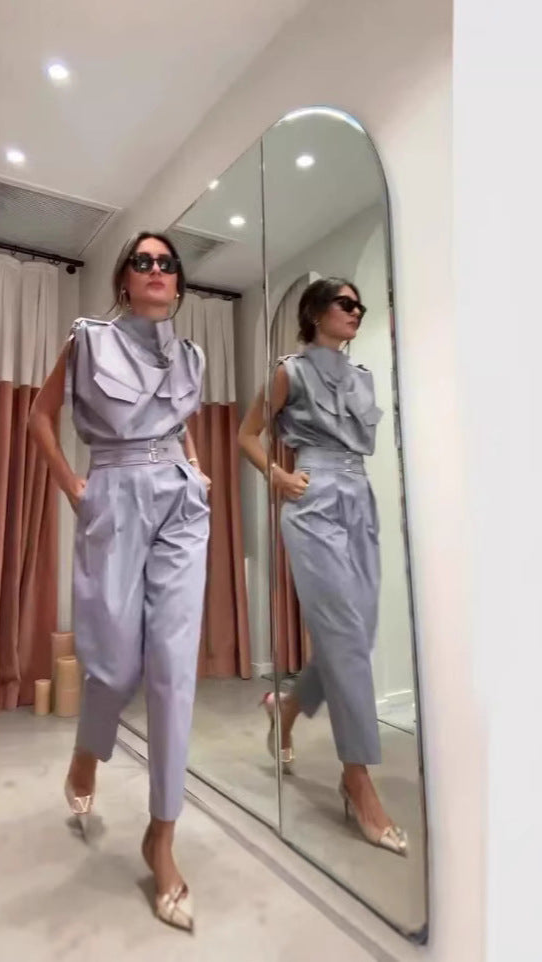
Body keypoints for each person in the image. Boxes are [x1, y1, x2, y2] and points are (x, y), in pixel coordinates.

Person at [29, 231, 211, 931]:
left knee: (173, 667)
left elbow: (181, 423)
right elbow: (39, 416)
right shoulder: (88, 342)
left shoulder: (191, 356)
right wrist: (71, 484)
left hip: (180, 503)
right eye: (144, 262)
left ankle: (161, 836)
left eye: (167, 263)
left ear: (176, 282)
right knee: (114, 666)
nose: (157, 270)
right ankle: (87, 753)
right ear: (124, 281)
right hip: (112, 491)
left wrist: (196, 470)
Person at [238, 277, 408, 857]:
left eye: (360, 305)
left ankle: (286, 709)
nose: (356, 311)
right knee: (346, 638)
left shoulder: (361, 376)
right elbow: (247, 435)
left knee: (357, 634)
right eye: (346, 303)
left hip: (360, 500)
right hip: (313, 502)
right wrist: (279, 476)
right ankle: (356, 779)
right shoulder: (289, 371)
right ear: (315, 313)